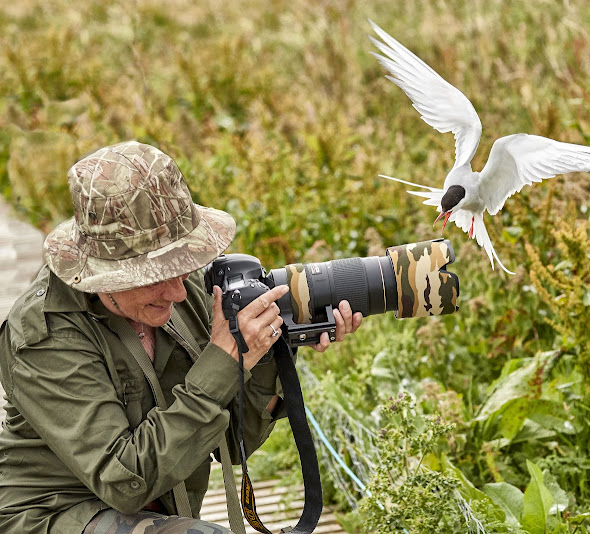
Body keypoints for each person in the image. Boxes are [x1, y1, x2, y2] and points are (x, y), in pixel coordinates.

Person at [0, 141, 363, 534]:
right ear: (106, 274)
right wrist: (221, 360)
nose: (177, 292)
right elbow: (126, 480)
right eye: (155, 277)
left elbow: (233, 439)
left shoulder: (180, 288)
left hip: (158, 510)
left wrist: (270, 349)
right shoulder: (44, 335)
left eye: (183, 265)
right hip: (51, 513)